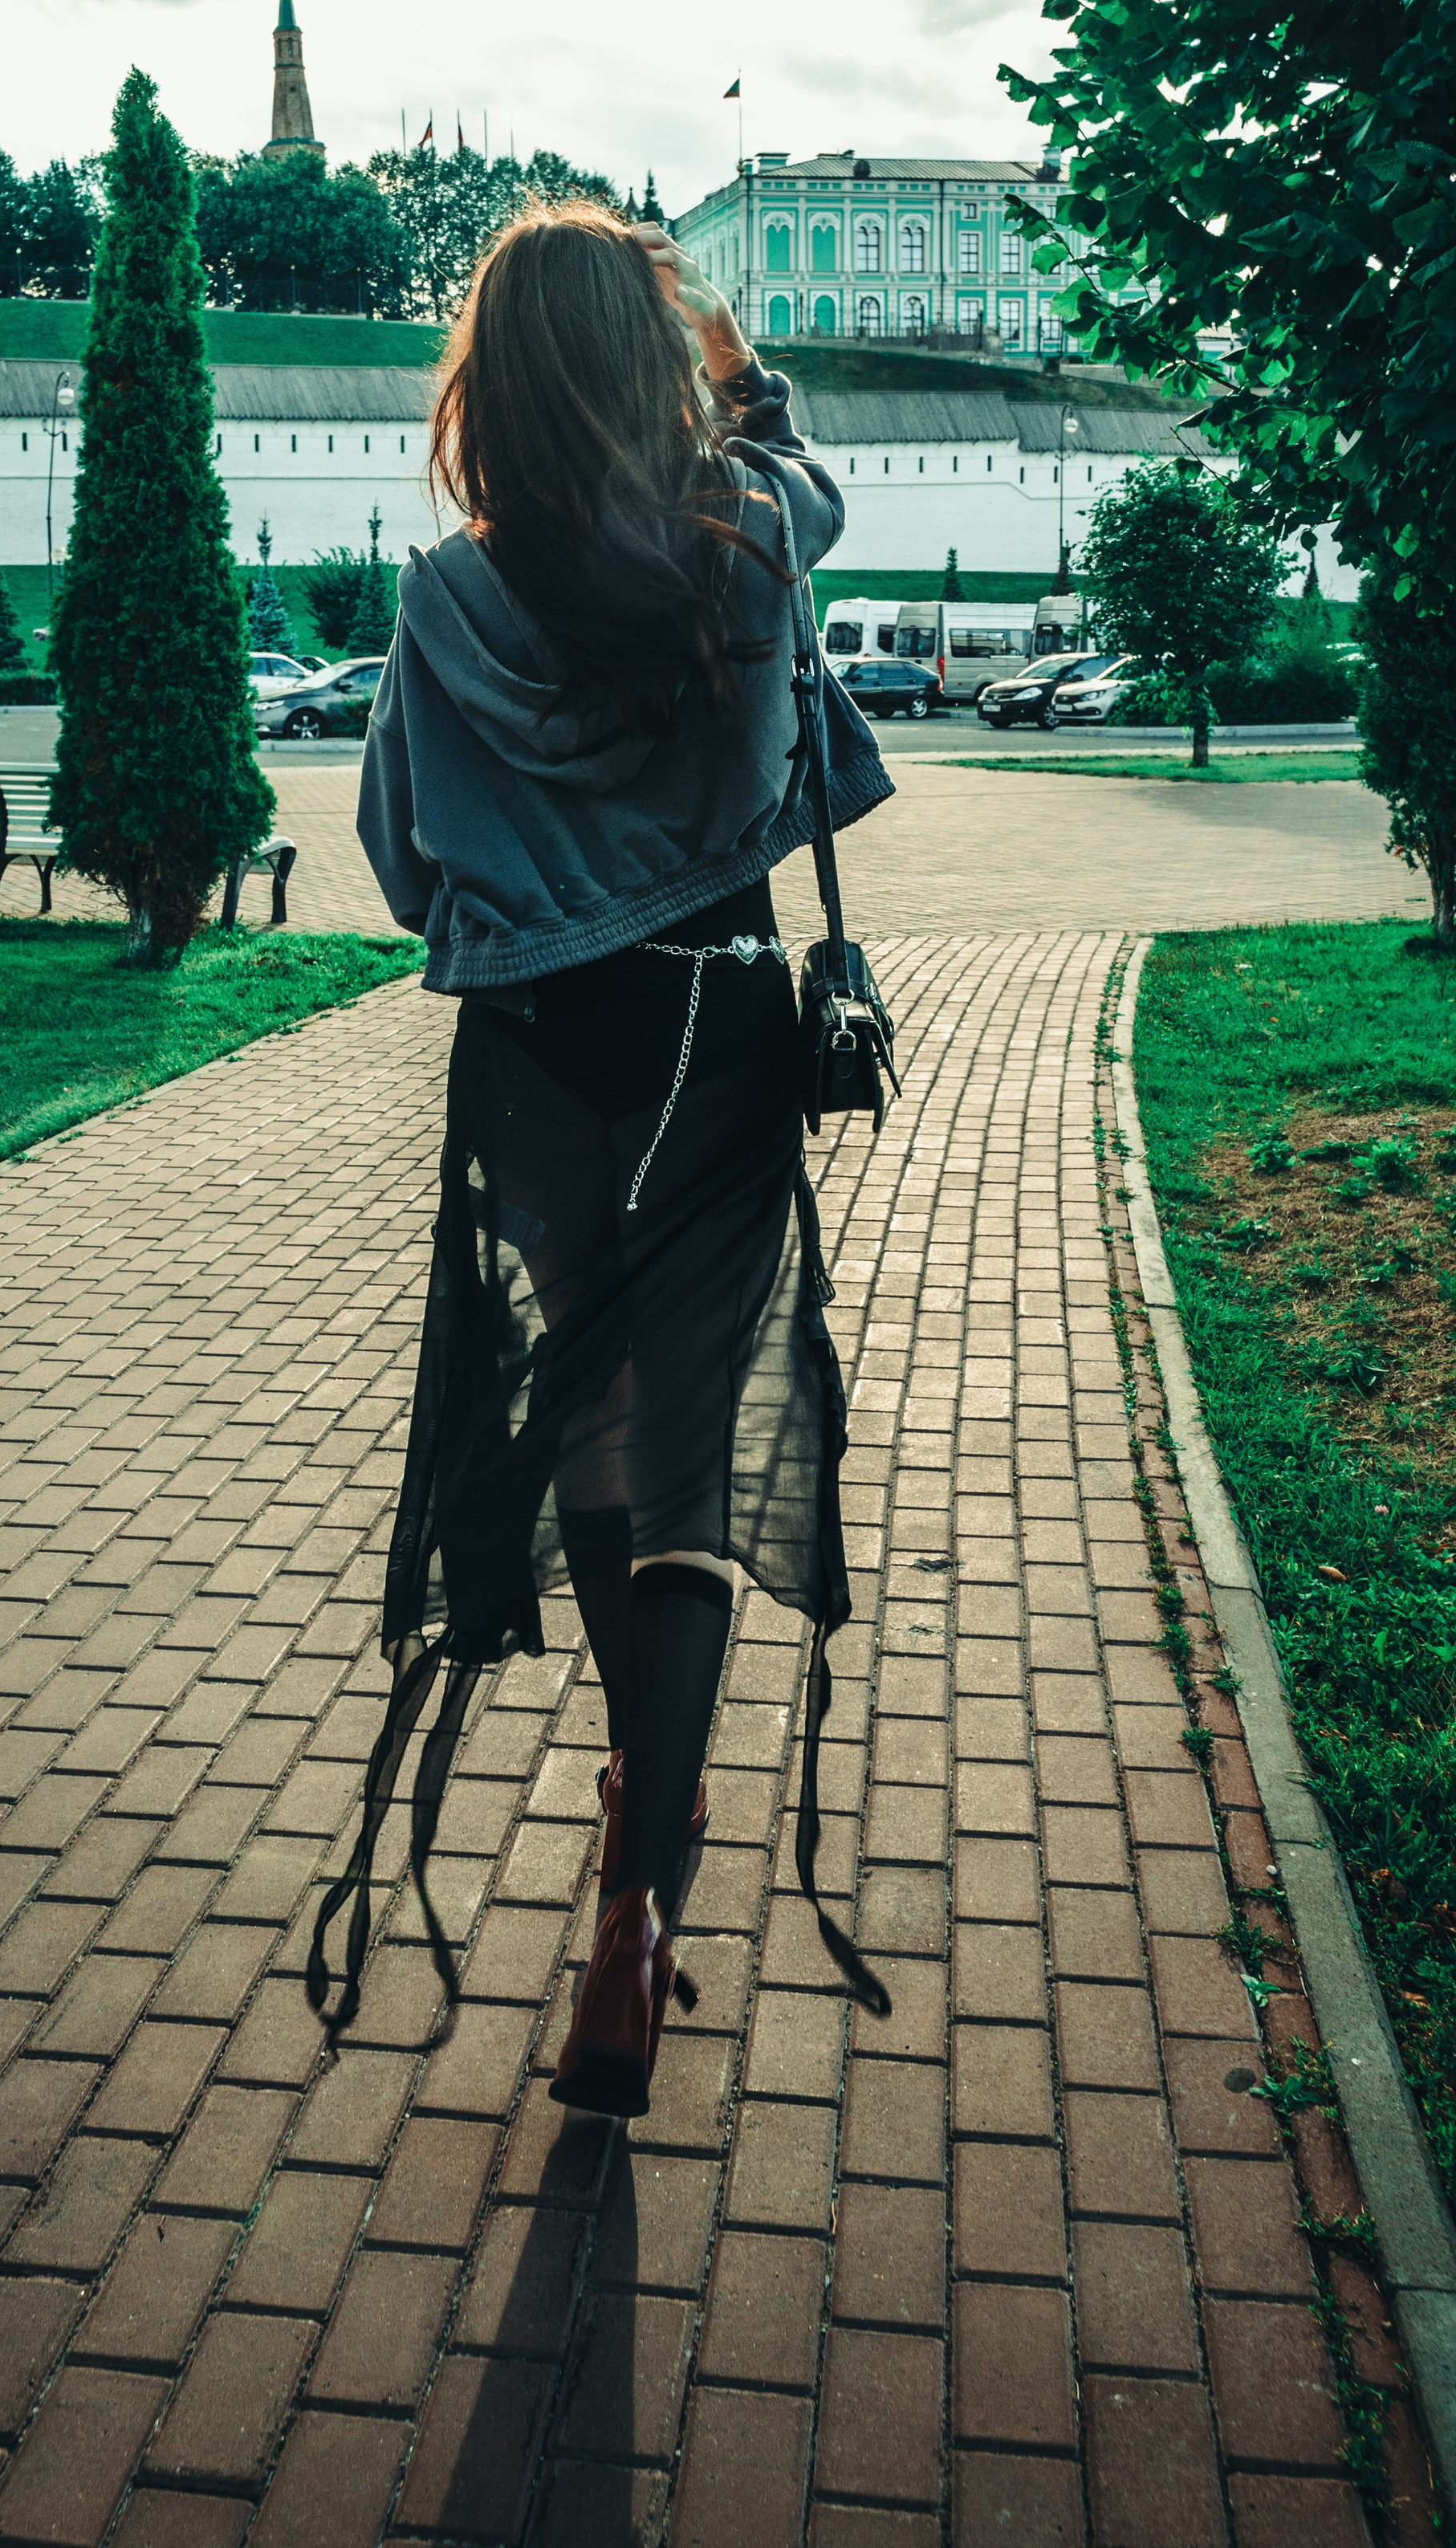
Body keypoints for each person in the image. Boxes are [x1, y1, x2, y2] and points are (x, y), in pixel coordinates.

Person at [306, 201, 893, 2115]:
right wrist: (732, 368)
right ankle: (633, 1911)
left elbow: (399, 861)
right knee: (690, 1463)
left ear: (486, 388)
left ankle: (633, 1831)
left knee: (589, 1427)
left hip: (542, 1057)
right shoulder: (750, 539)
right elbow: (801, 475)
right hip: (718, 1035)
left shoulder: (445, 598)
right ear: (651, 372)